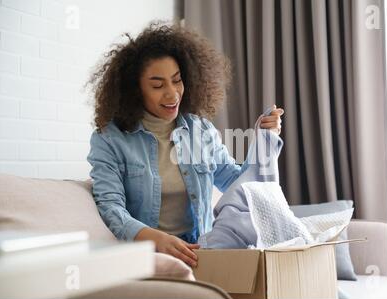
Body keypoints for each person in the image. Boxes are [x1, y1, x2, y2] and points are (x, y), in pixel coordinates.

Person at [86, 22, 284, 267]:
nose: (172, 94)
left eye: (177, 80)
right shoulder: (110, 139)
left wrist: (265, 138)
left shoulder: (200, 131)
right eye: (158, 85)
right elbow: (111, 207)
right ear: (135, 91)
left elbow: (240, 186)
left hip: (203, 251)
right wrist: (156, 239)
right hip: (149, 256)